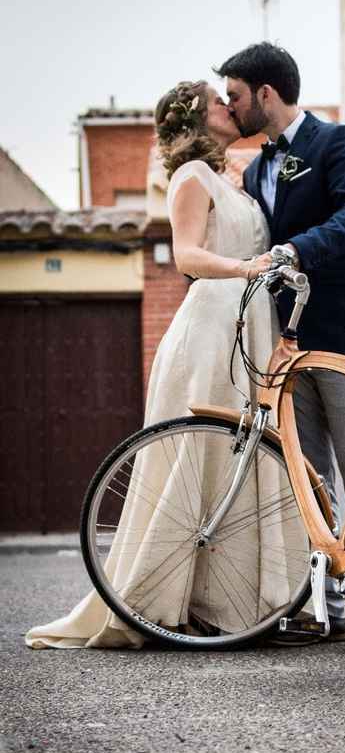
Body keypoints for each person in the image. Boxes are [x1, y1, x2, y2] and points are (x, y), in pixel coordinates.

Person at [25, 80, 275, 649]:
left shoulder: (230, 178)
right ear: (194, 118)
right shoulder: (190, 177)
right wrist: (246, 268)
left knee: (233, 461)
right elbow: (185, 256)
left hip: (248, 327)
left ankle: (221, 604)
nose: (227, 106)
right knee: (199, 457)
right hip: (211, 329)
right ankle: (164, 601)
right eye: (217, 100)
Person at [216, 42, 345, 653]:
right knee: (309, 477)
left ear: (266, 94)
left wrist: (297, 251)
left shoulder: (339, 142)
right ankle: (325, 605)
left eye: (235, 95)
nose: (230, 105)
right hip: (286, 340)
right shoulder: (252, 171)